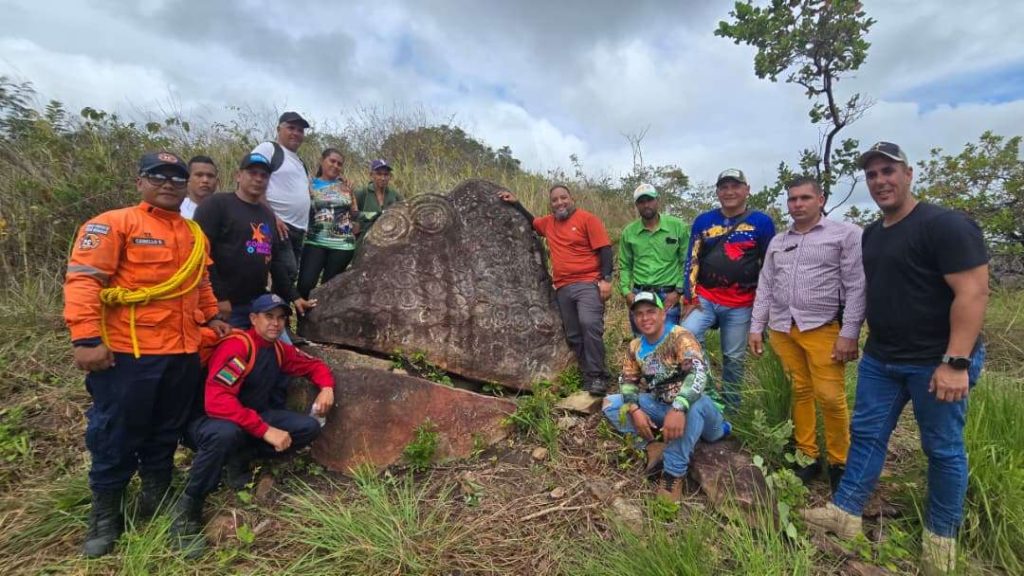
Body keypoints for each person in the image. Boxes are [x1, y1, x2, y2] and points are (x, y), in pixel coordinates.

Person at [801, 142, 989, 576]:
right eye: (872, 175)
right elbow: (870, 290)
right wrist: (854, 334)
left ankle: (941, 540)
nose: (880, 181)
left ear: (909, 173)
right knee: (866, 435)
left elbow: (973, 293)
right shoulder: (874, 233)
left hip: (936, 362)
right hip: (882, 358)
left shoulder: (945, 225)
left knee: (941, 449)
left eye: (888, 171)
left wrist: (956, 362)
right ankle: (845, 513)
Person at [63, 151, 231, 557]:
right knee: (115, 433)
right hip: (126, 354)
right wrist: (86, 339)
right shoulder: (113, 224)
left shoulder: (193, 233)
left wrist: (211, 317)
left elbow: (200, 282)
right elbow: (84, 281)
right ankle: (107, 512)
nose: (169, 183)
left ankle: (157, 496)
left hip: (181, 352)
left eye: (176, 176)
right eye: (158, 175)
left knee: (164, 431)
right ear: (140, 181)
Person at [171, 294, 335, 555]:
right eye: (269, 316)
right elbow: (217, 401)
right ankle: (188, 509)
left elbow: (312, 365)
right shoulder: (238, 347)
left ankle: (239, 459)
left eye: (281, 318)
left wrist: (326, 387)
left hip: (248, 419)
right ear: (253, 318)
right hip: (207, 423)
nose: (276, 324)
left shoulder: (279, 349)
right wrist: (265, 430)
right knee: (226, 433)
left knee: (308, 427)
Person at [748, 176, 865, 491]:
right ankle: (807, 454)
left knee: (830, 396)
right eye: (793, 199)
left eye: (804, 198)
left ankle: (841, 461)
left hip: (823, 327)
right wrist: (757, 326)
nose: (798, 205)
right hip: (783, 327)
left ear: (821, 199)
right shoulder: (779, 241)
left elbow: (857, 286)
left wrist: (850, 331)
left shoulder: (846, 235)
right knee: (800, 390)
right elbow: (767, 285)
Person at [602, 292, 729, 502]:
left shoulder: (681, 337)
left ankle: (672, 473)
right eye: (639, 314)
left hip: (705, 413)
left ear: (663, 314)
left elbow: (698, 374)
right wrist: (635, 410)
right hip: (663, 406)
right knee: (611, 404)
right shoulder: (636, 347)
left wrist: (679, 407)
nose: (645, 318)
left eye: (651, 312)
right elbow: (627, 381)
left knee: (695, 405)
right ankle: (651, 445)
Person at [498, 185, 613, 394]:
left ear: (572, 198)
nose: (560, 203)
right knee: (573, 334)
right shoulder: (549, 223)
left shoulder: (588, 219)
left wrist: (606, 279)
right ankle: (588, 374)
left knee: (589, 324)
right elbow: (532, 223)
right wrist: (516, 203)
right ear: (551, 204)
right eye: (555, 200)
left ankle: (598, 375)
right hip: (563, 287)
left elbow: (605, 249)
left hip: (588, 283)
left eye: (563, 198)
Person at [682, 169, 776, 408]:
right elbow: (692, 260)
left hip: (741, 303)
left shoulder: (761, 222)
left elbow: (770, 266)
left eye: (735, 186)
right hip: (705, 297)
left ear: (747, 190)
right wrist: (689, 297)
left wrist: (763, 310)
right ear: (717, 192)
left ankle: (732, 405)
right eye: (724, 187)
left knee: (733, 357)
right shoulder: (704, 221)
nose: (729, 191)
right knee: (688, 335)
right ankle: (707, 393)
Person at [193, 152, 315, 330]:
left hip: (257, 304)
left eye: (264, 175)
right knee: (232, 355)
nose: (258, 179)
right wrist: (218, 298)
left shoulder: (267, 215)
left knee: (283, 351)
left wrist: (294, 296)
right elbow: (200, 254)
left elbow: (275, 262)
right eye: (252, 173)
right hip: (223, 306)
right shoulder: (216, 205)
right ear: (239, 175)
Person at [618, 183, 689, 333]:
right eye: (641, 202)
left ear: (657, 201)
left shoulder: (677, 227)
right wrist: (626, 292)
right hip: (639, 294)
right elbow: (625, 265)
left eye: (649, 200)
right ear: (637, 205)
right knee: (642, 342)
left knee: (668, 342)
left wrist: (678, 292)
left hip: (667, 296)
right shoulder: (629, 232)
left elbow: (687, 262)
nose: (646, 205)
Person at [252, 111, 312, 281]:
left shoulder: (301, 162)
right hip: (276, 225)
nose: (296, 133)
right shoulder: (269, 149)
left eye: (300, 130)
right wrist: (271, 217)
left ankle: (279, 306)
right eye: (291, 128)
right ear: (279, 129)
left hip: (298, 230)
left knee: (288, 276)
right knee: (285, 272)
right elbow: (252, 181)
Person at [297, 148, 360, 299]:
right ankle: (303, 321)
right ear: (322, 161)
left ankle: (319, 322)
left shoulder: (346, 187)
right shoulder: (309, 184)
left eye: (339, 164)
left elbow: (354, 213)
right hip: (315, 241)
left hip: (343, 245)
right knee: (305, 285)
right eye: (332, 161)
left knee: (329, 290)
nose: (335, 166)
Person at [355, 159, 402, 234]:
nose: (383, 178)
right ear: (371, 175)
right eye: (379, 174)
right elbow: (352, 214)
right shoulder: (362, 193)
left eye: (386, 174)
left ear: (390, 176)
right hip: (366, 238)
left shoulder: (395, 195)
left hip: (389, 238)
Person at [181, 155, 219, 219]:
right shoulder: (176, 210)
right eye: (199, 175)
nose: (205, 180)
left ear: (217, 182)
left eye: (210, 176)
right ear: (187, 179)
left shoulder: (226, 211)